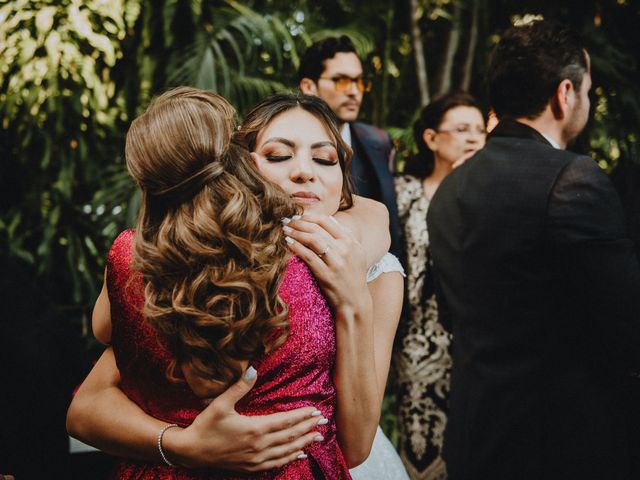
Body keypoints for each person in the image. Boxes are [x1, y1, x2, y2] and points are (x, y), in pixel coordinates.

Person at [67, 89, 404, 478]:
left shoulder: (377, 270)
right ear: (237, 169)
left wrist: (353, 299)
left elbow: (354, 446)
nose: (305, 171)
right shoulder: (198, 260)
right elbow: (87, 407)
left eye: (325, 159)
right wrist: (182, 445)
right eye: (279, 155)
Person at [427, 20, 640, 480]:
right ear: (565, 94)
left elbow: (450, 314)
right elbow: (627, 317)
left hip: (473, 435)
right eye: (587, 90)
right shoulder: (571, 178)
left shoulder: (449, 188)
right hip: (562, 446)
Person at [394, 92, 486, 479]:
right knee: (422, 446)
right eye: (462, 129)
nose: (473, 139)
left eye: (481, 131)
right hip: (418, 341)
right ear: (431, 138)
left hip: (478, 341)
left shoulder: (490, 195)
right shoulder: (403, 193)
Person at [298, 35, 400, 256]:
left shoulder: (379, 142)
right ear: (309, 86)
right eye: (341, 80)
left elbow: (392, 224)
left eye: (359, 81)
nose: (354, 91)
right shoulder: (282, 145)